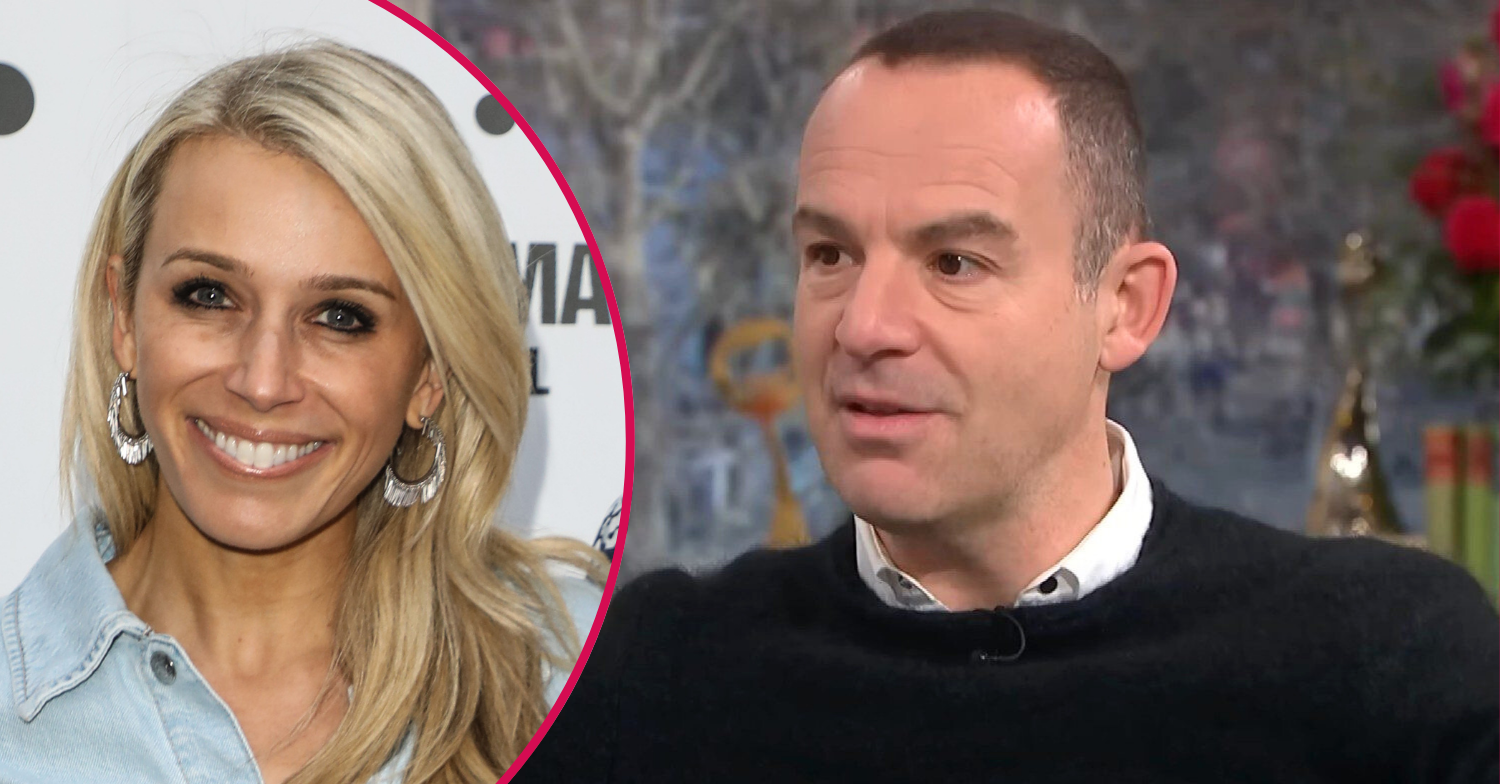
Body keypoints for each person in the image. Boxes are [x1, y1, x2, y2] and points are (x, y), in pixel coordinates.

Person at [516, 9, 1499, 783]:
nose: (864, 326)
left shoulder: (1385, 662)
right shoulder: (661, 671)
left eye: (954, 261)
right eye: (830, 254)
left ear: (1125, 306)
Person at [0, 42, 605, 784]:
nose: (262, 381)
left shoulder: (579, 671)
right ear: (123, 318)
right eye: (209, 296)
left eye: (340, 316)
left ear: (430, 375)